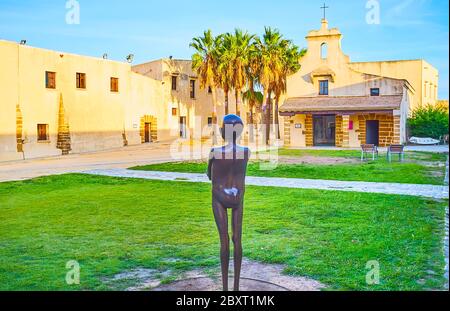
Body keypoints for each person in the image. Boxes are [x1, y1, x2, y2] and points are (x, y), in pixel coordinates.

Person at [207, 114, 251, 291]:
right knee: (237, 239)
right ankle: (236, 288)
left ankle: (225, 289)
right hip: (237, 197)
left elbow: (209, 175)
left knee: (224, 240)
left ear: (221, 132)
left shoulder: (215, 152)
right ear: (240, 132)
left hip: (219, 196)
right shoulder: (246, 151)